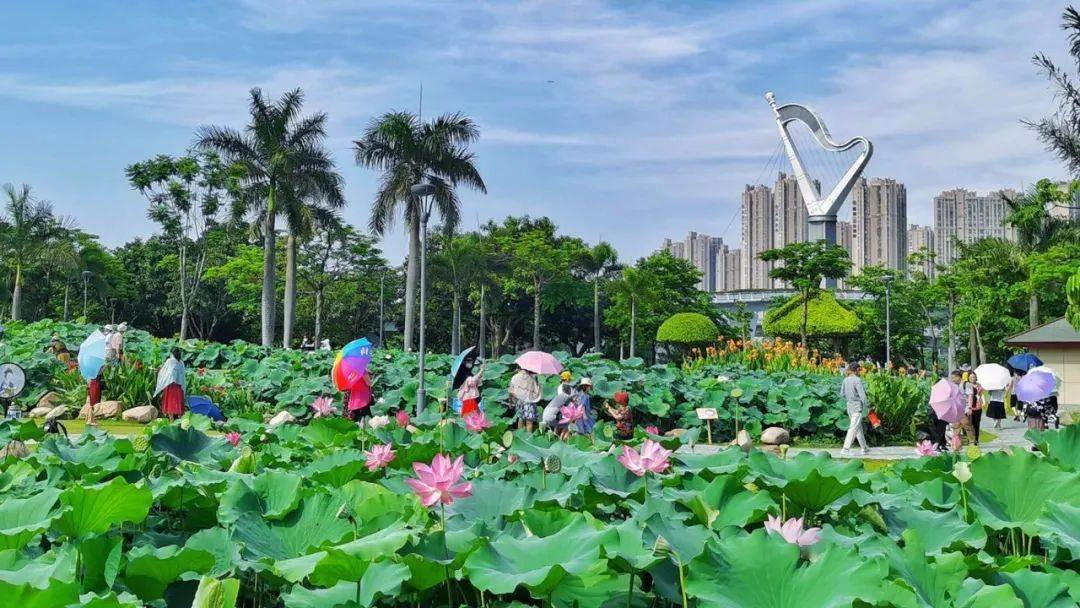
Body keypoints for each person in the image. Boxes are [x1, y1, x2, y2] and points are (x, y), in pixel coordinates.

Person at [840, 363, 870, 456]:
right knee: (853, 428)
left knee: (858, 428)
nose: (860, 371)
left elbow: (842, 394)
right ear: (856, 370)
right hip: (857, 407)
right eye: (859, 370)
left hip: (849, 406)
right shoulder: (857, 380)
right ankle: (845, 449)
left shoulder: (845, 380)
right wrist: (868, 405)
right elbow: (862, 395)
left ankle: (864, 448)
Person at [155, 348, 187, 421]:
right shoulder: (181, 362)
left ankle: (171, 420)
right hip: (179, 386)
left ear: (172, 353)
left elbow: (165, 372)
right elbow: (182, 375)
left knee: (170, 403)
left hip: (170, 385)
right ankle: (180, 420)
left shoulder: (169, 361)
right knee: (178, 402)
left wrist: (159, 371)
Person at [508, 365, 542, 432]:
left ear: (519, 368)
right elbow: (536, 392)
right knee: (529, 422)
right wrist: (537, 383)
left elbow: (511, 391)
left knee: (521, 420)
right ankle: (528, 439)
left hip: (519, 401)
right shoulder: (531, 378)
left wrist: (510, 402)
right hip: (529, 402)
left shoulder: (515, 377)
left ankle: (520, 437)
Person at [965, 371, 984, 446]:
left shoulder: (979, 385)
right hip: (968, 407)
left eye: (974, 377)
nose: (973, 378)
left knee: (976, 423)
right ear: (968, 378)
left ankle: (976, 439)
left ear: (976, 377)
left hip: (977, 406)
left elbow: (980, 395)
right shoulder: (966, 385)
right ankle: (969, 439)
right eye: (971, 377)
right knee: (968, 424)